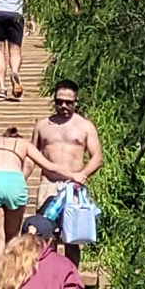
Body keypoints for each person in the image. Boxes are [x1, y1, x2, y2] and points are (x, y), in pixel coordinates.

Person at [31, 79, 104, 266]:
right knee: (46, 237)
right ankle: (48, 281)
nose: (63, 106)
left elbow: (97, 157)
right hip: (49, 185)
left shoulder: (85, 126)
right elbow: (31, 155)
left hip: (74, 187)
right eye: (59, 101)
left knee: (73, 237)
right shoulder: (42, 126)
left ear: (76, 102)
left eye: (68, 102)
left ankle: (71, 281)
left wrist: (83, 175)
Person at [0, 125, 62, 265]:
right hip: (15, 182)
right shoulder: (23, 144)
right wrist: (75, 175)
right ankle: (13, 273)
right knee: (13, 235)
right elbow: (49, 166)